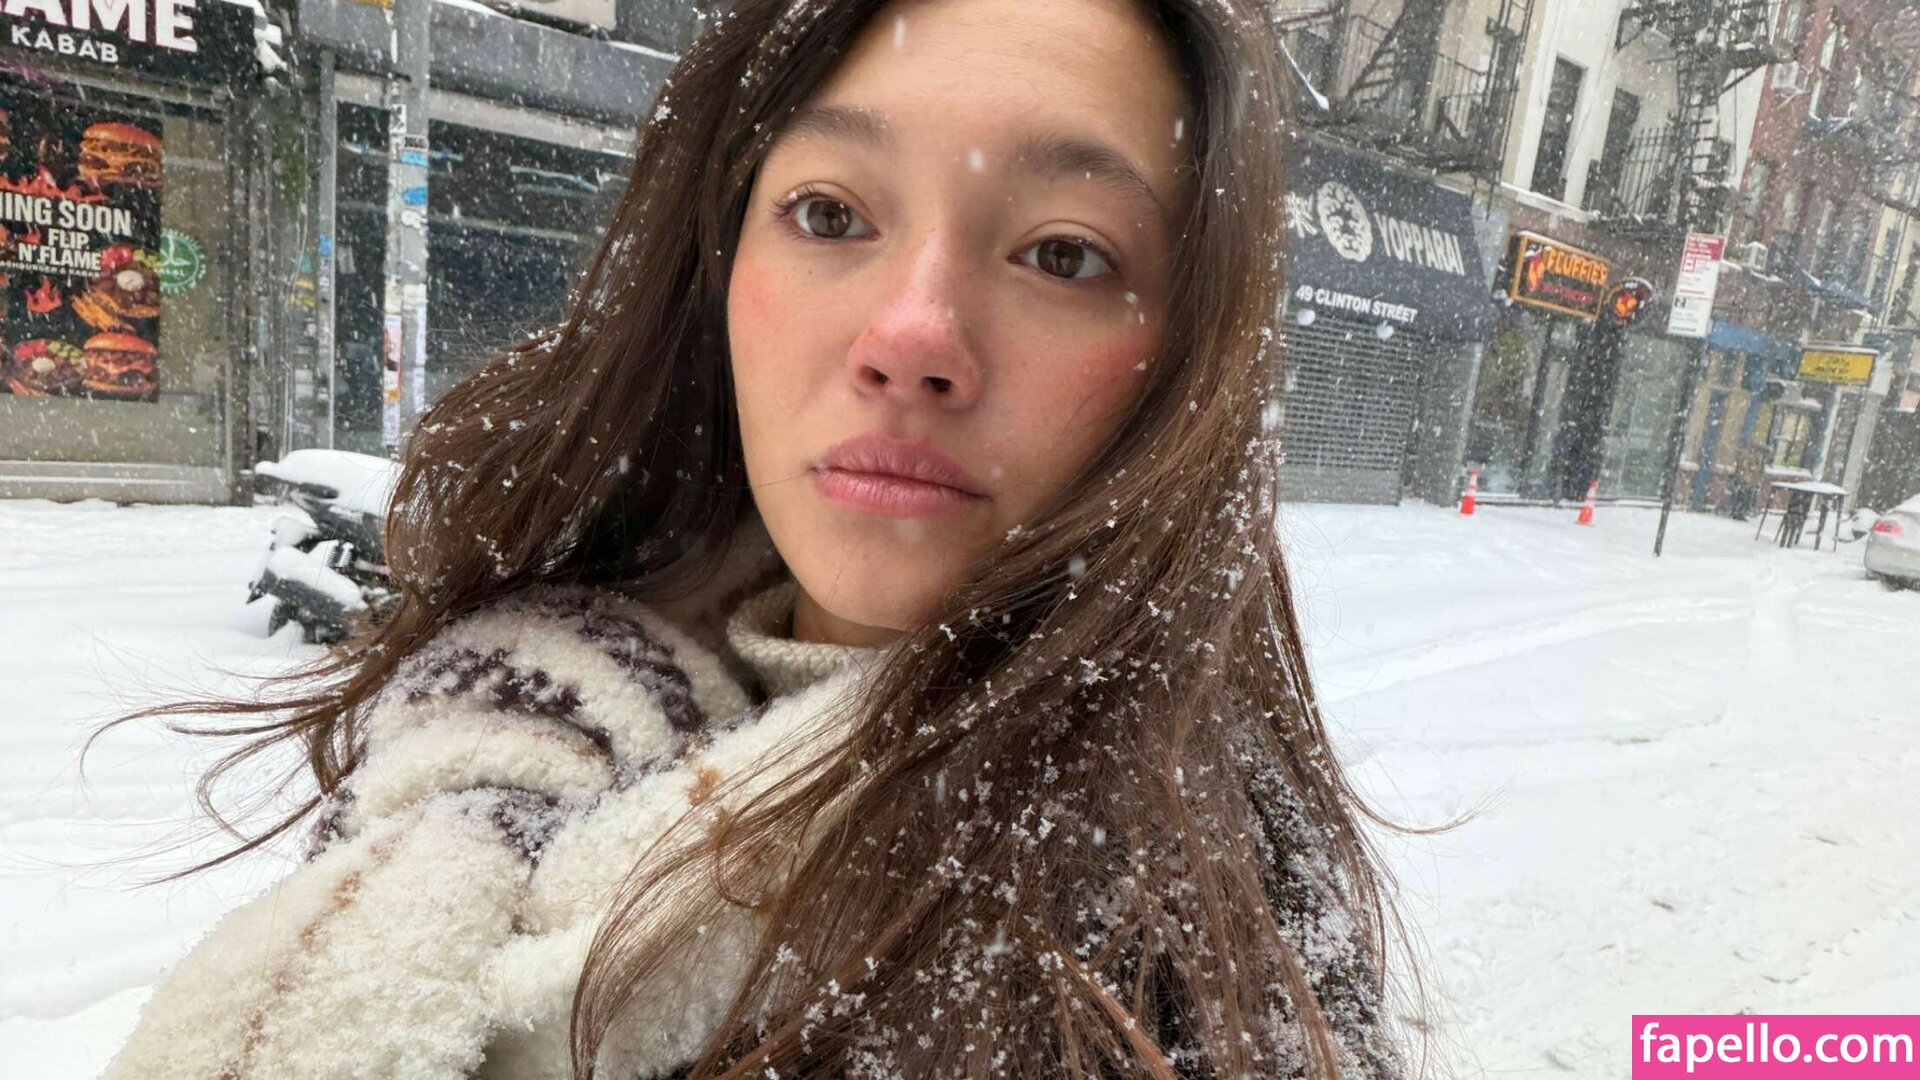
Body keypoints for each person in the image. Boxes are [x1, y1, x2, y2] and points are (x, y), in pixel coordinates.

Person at [102, 1, 1423, 1076]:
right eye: (832, 215)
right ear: (720, 270)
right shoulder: (498, 719)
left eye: (1064, 255)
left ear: (1187, 366)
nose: (911, 336)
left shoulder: (1166, 974)